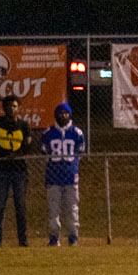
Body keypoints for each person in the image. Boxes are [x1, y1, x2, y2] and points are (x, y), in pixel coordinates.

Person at [0, 94, 31, 247]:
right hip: (2, 169)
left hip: (19, 170)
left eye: (14, 106)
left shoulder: (23, 125)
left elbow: (28, 145)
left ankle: (23, 240)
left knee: (20, 205)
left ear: (18, 108)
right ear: (4, 108)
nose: (11, 109)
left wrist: (17, 154)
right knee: (0, 205)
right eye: (9, 106)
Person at [41, 103, 85, 246]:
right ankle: (54, 238)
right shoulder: (48, 133)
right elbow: (45, 153)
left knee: (72, 208)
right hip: (53, 176)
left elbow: (80, 152)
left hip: (70, 176)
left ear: (70, 114)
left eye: (66, 113)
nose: (63, 116)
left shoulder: (77, 133)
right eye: (60, 113)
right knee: (54, 209)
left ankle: (73, 236)